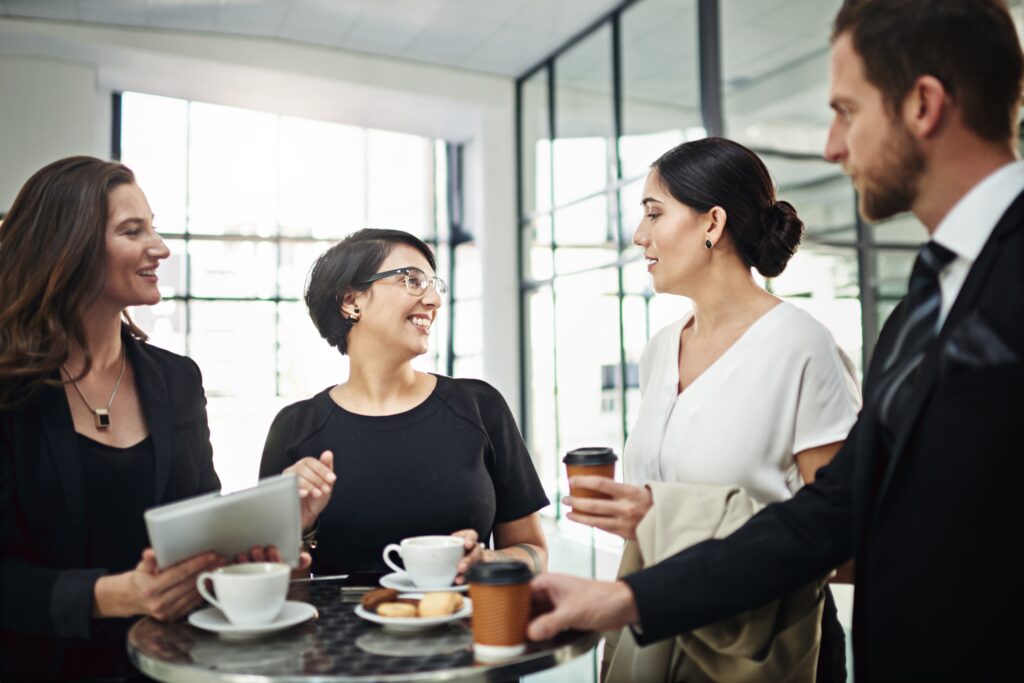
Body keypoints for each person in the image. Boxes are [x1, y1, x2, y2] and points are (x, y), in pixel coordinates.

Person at [526, 0, 1024, 679]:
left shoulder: (815, 338)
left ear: (922, 104)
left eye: (846, 110)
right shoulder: (919, 309)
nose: (830, 145)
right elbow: (833, 516)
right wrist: (627, 595)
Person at [563, 137, 859, 682]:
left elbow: (846, 544)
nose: (639, 236)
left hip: (760, 648)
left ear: (712, 223)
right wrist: (634, 518)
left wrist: (667, 520)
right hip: (659, 627)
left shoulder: (801, 345)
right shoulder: (660, 349)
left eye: (654, 212)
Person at [0, 157, 226, 681]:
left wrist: (251, 554)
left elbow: (201, 520)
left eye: (153, 226)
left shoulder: (178, 380)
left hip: (173, 665)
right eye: (133, 230)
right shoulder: (10, 390)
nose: (161, 248)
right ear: (67, 244)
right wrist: (115, 595)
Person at [259, 229, 548, 581]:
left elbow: (535, 553)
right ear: (352, 300)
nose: (433, 301)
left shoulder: (480, 407)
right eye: (412, 280)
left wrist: (486, 561)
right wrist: (298, 530)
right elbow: (271, 580)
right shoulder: (294, 429)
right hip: (333, 634)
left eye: (433, 284)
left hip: (465, 630)